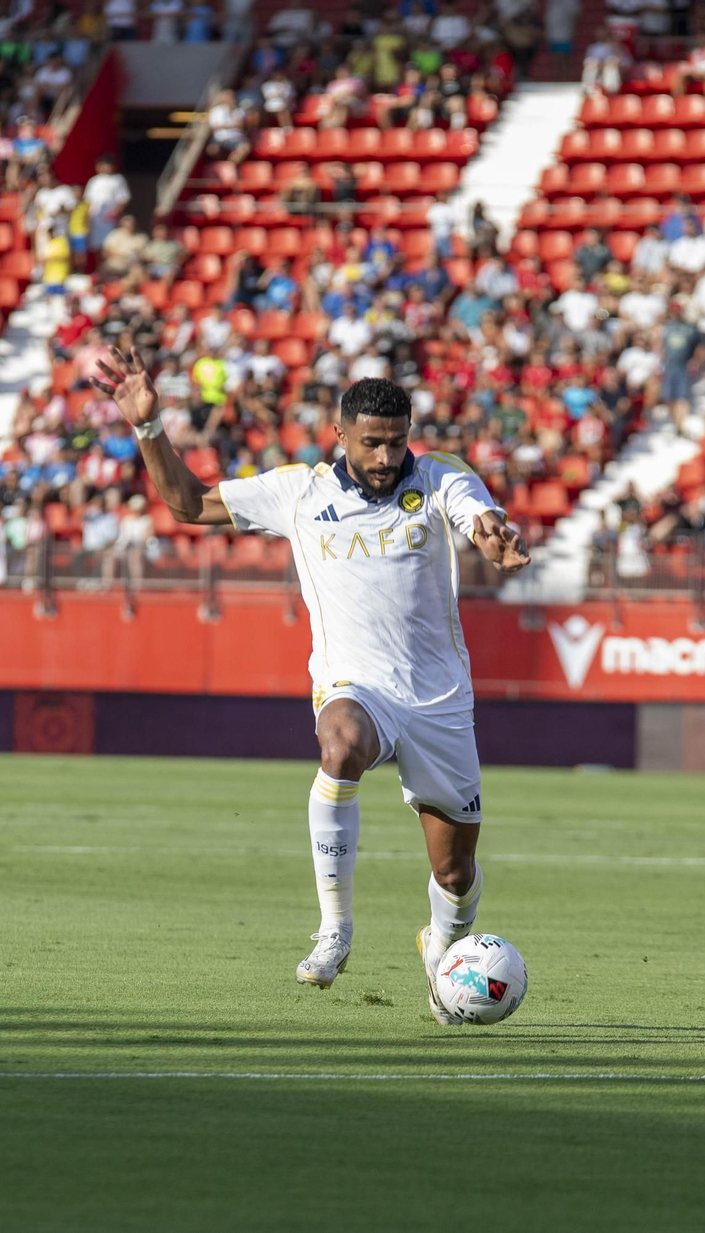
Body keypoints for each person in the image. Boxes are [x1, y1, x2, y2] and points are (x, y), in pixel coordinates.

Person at [91, 354, 531, 1019]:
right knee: (340, 744)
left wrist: (490, 535)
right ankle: (334, 929)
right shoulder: (299, 491)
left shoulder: (441, 475)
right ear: (339, 434)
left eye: (396, 439)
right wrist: (150, 428)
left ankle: (442, 942)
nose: (386, 455)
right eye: (371, 441)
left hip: (439, 701)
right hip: (357, 685)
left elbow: (478, 514)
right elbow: (188, 503)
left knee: (454, 873)